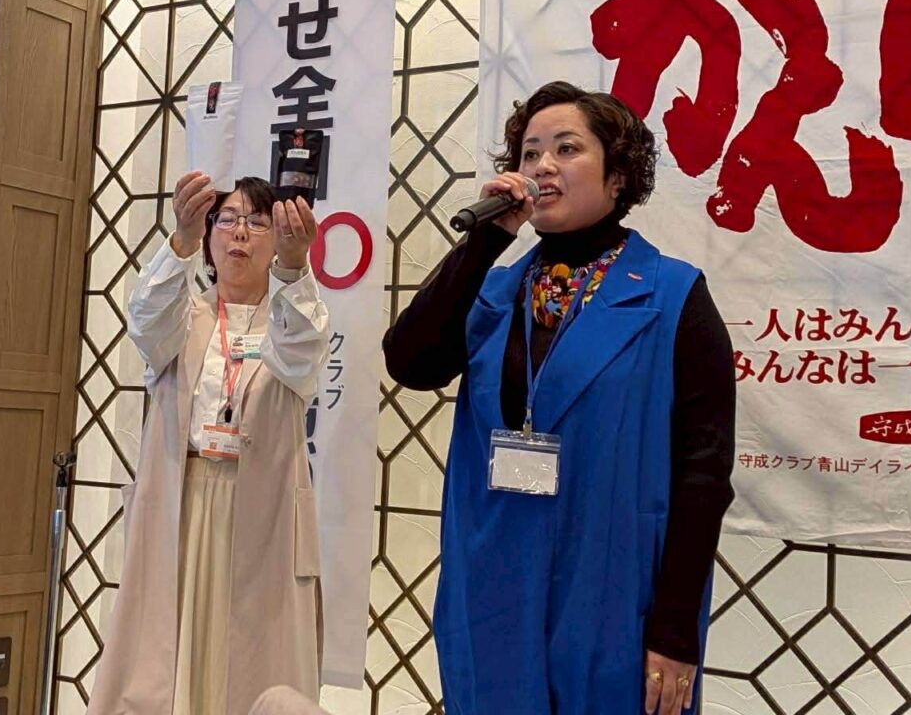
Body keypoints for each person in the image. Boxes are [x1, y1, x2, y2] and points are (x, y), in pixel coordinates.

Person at [383, 82, 735, 715]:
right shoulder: (495, 289)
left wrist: (677, 629)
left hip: (613, 592)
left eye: (566, 149)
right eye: (529, 153)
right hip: (492, 584)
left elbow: (704, 472)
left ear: (619, 174)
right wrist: (487, 241)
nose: (542, 166)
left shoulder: (672, 295)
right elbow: (409, 362)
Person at [87, 173, 329, 715]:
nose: (240, 233)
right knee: (165, 653)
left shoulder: (291, 319)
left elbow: (302, 354)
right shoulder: (183, 315)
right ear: (209, 235)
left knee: (254, 658)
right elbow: (145, 323)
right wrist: (180, 239)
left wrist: (296, 268)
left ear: (277, 241)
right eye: (228, 219)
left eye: (257, 222)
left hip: (262, 510)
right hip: (183, 502)